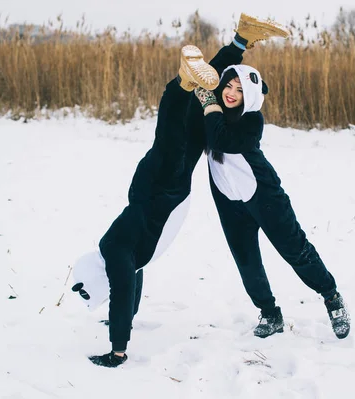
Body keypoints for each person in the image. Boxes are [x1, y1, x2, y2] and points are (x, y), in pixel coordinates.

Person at [71, 14, 291, 368]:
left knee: (175, 124)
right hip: (162, 181)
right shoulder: (124, 253)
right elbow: (129, 283)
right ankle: (237, 42)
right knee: (192, 108)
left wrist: (118, 349)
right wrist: (121, 318)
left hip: (167, 183)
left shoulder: (115, 253)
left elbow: (124, 285)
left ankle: (185, 80)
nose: (91, 296)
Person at [194, 62, 351, 340]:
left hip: (264, 197)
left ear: (250, 95)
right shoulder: (210, 113)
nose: (231, 93)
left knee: (295, 250)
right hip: (229, 201)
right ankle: (270, 313)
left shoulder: (252, 119)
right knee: (247, 261)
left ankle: (331, 297)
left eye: (239, 90)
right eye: (228, 86)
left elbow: (223, 140)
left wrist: (209, 105)